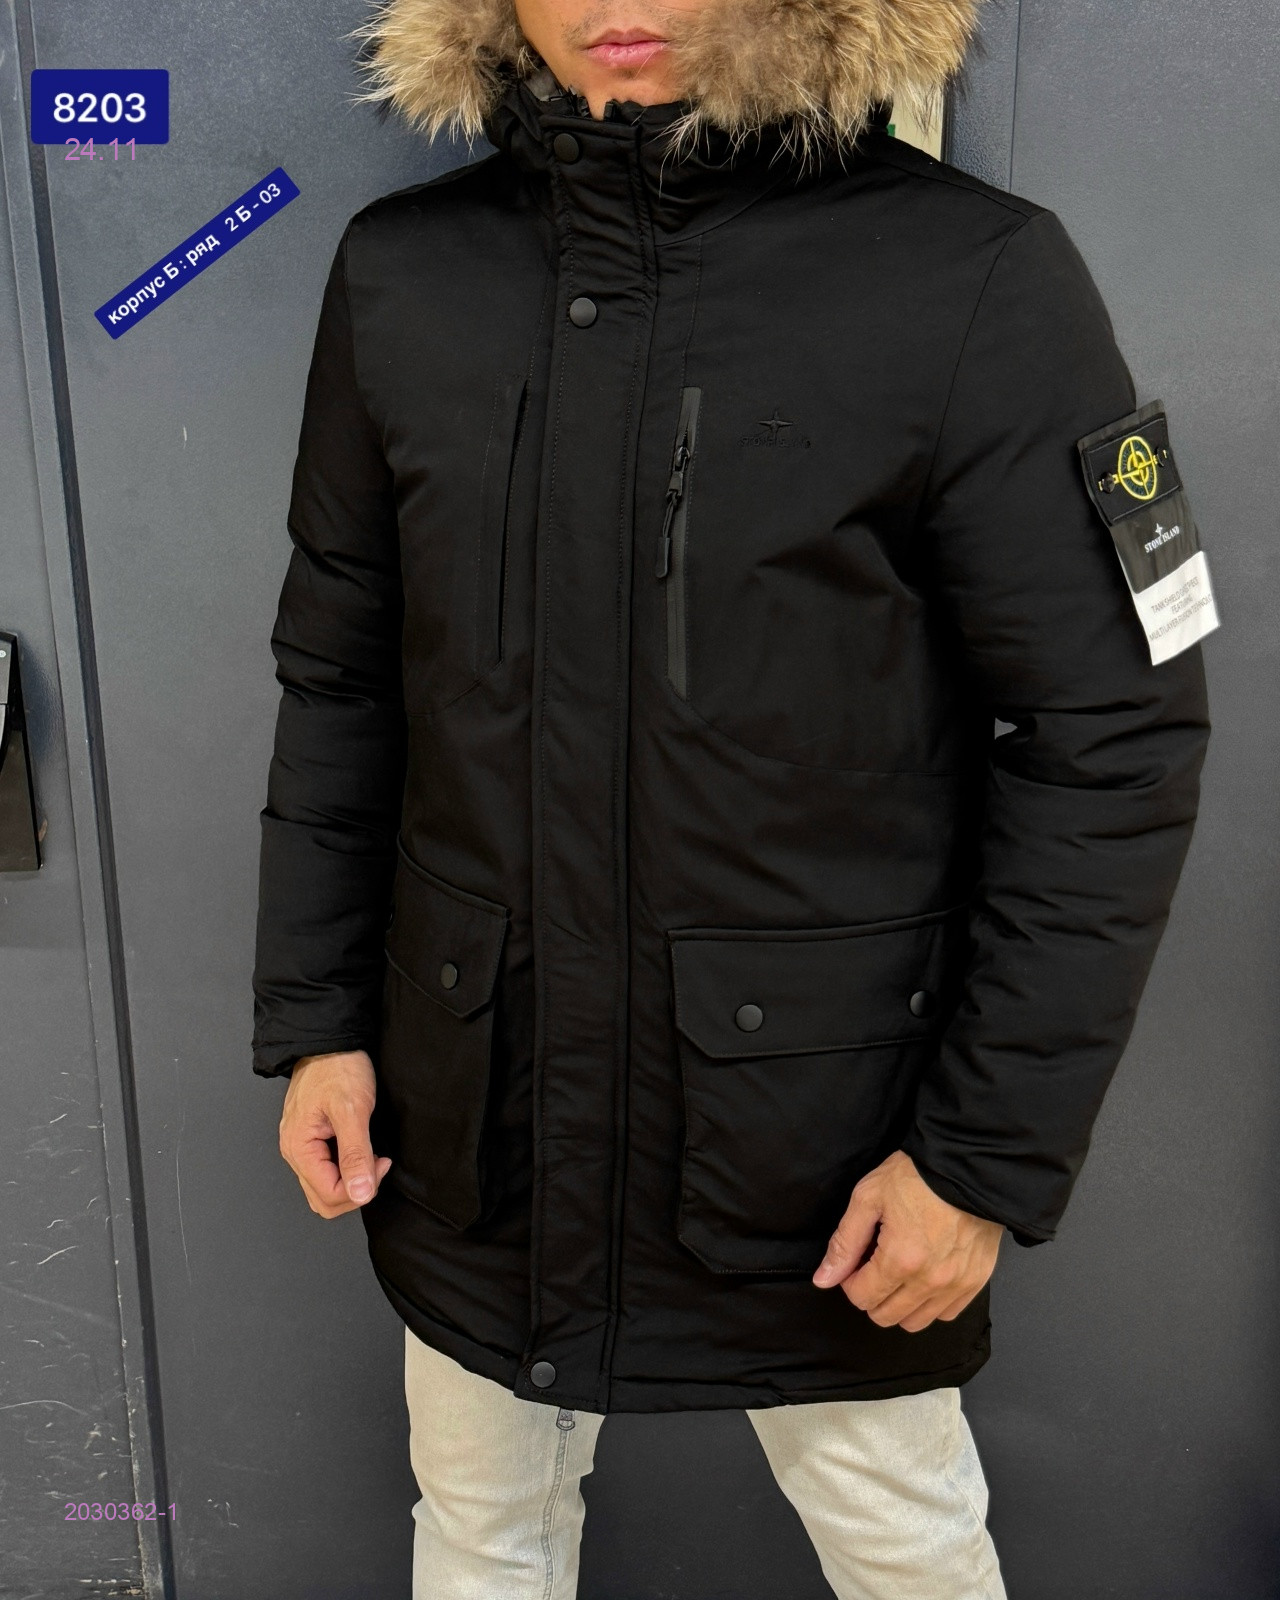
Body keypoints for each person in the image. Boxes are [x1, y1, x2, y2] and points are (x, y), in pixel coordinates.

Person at [251, 1, 1212, 1595]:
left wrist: (981, 1160)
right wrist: (318, 1021)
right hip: (479, 1105)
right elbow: (341, 685)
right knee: (479, 1529)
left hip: (821, 1151)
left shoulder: (974, 275)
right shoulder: (405, 276)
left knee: (907, 1548)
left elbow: (1115, 732)